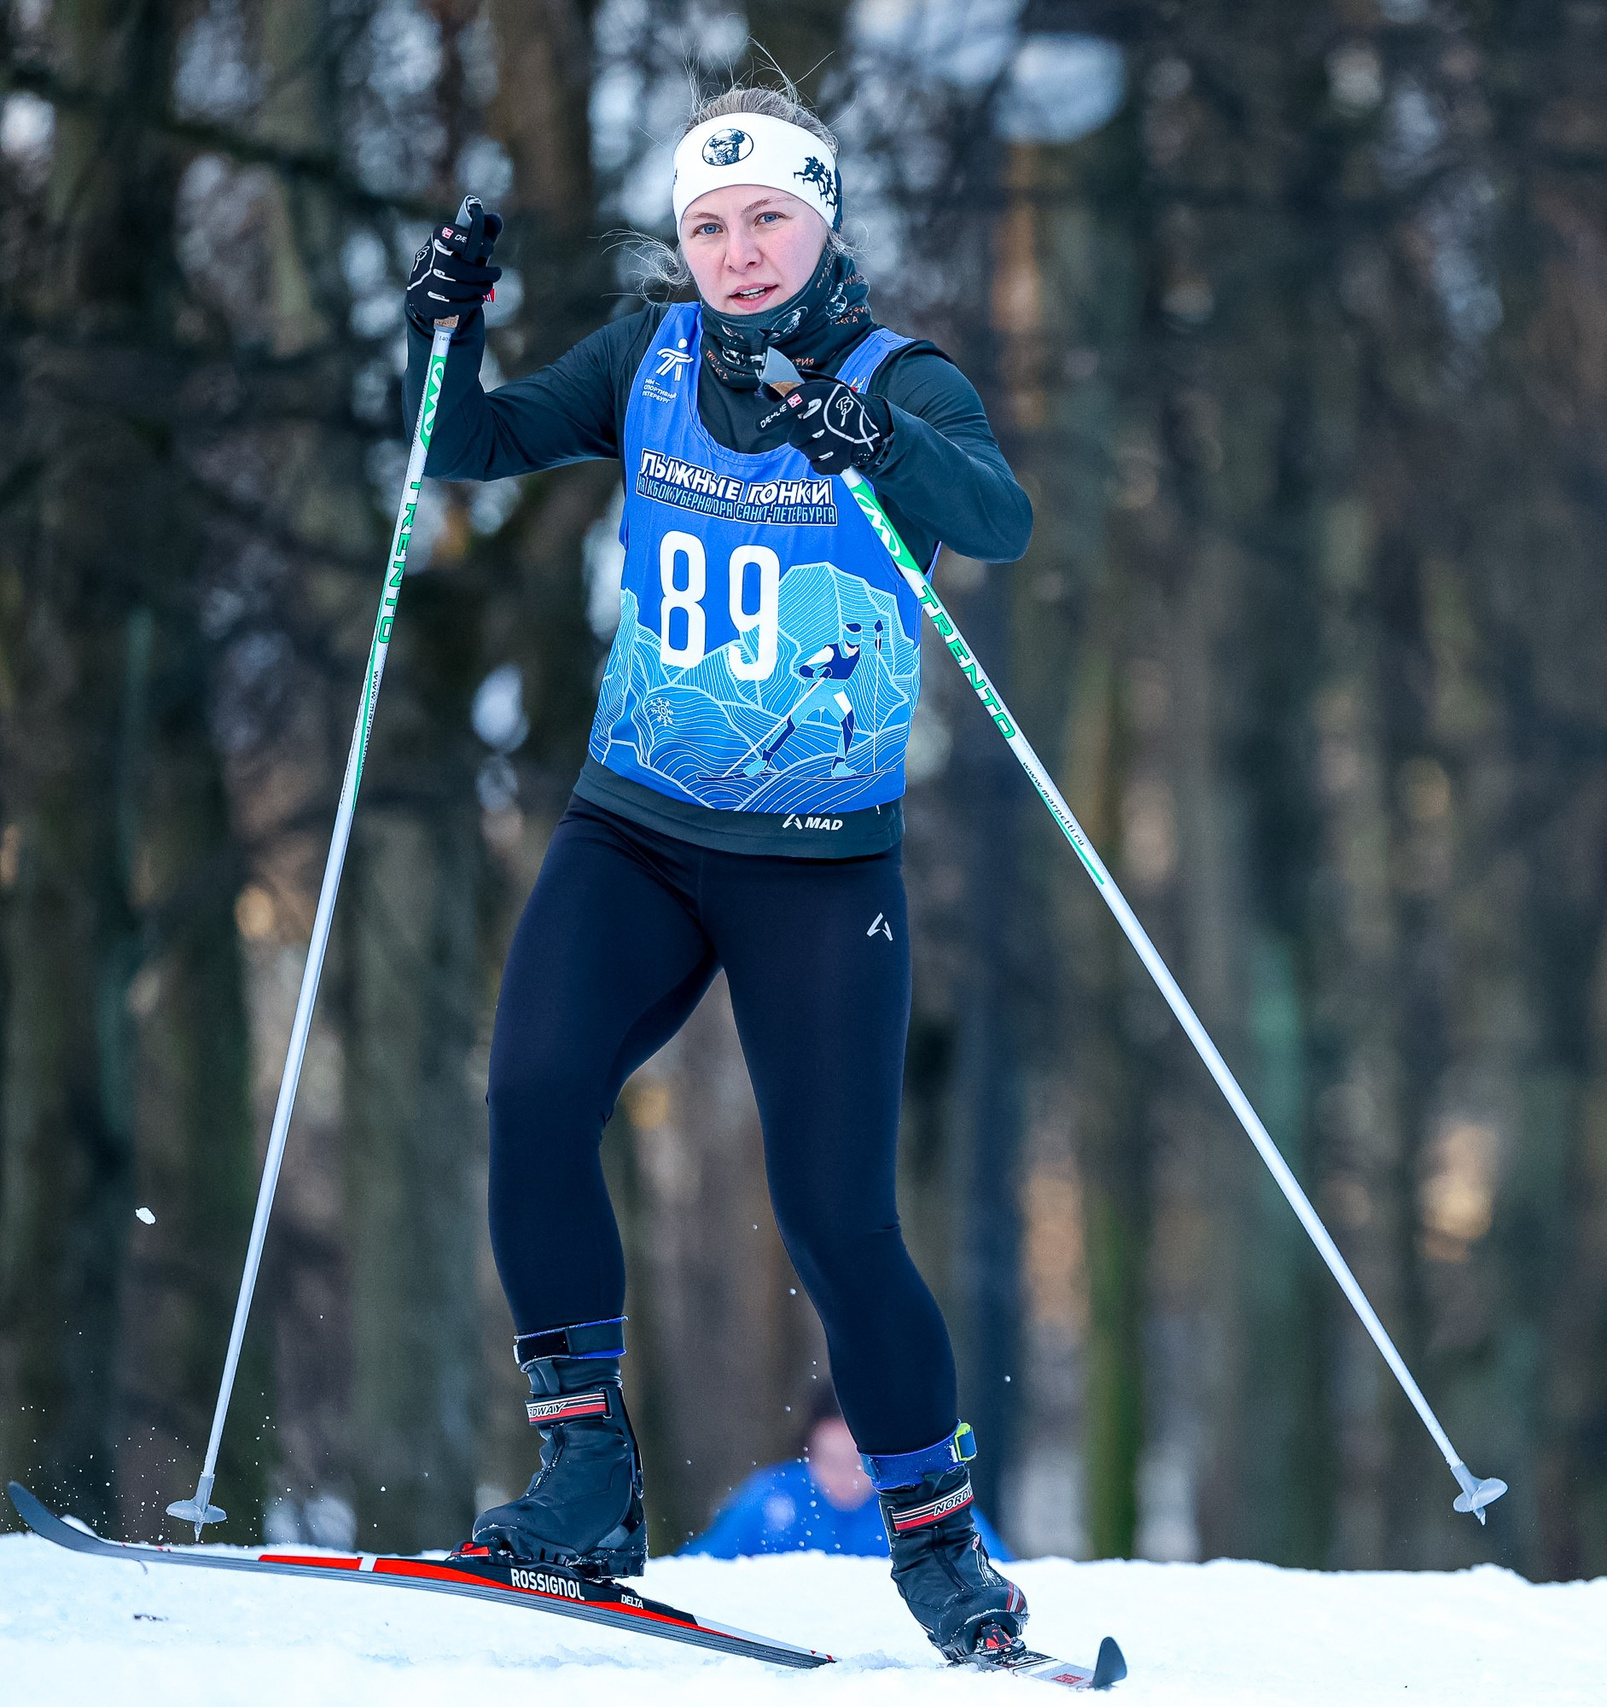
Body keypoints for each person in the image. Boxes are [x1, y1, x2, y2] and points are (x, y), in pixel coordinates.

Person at [399, 73, 1034, 1663]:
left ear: (824, 223)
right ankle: (586, 1472)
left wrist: (868, 433)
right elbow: (472, 437)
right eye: (709, 226)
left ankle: (942, 1550)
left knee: (834, 1215)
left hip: (818, 864)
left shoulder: (906, 373)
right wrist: (449, 330)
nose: (739, 253)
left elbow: (999, 519)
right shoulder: (651, 353)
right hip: (636, 827)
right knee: (534, 1092)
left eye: (768, 220)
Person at [682, 1389, 1013, 1561]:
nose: (843, 1477)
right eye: (828, 1459)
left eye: (858, 1464)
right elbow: (701, 1568)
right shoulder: (773, 1497)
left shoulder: (923, 1502)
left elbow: (997, 1572)